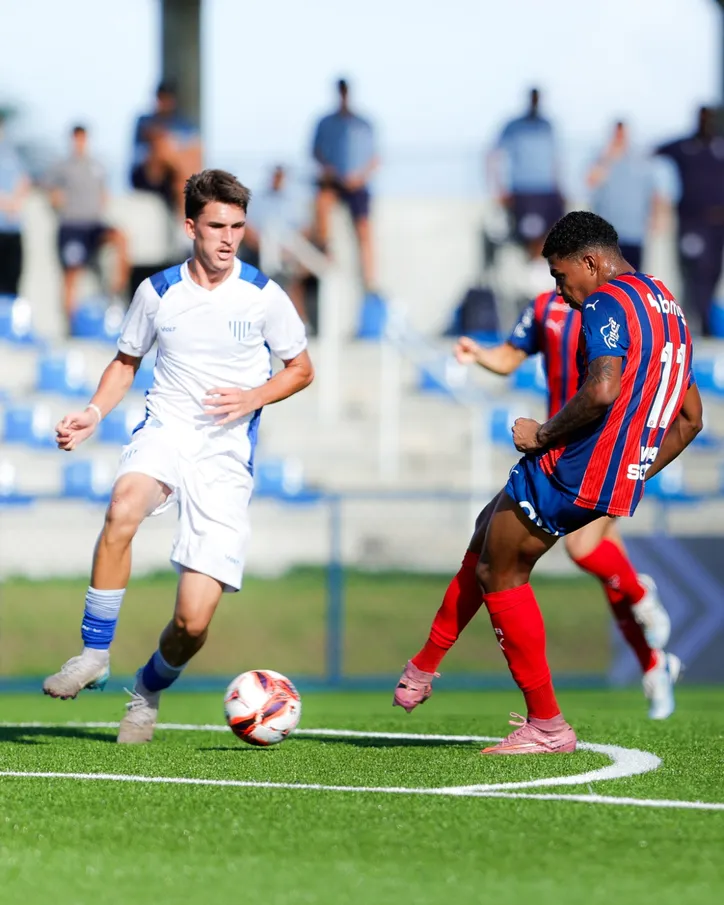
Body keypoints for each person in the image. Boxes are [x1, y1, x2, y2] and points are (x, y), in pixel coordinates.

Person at [394, 212, 702, 754]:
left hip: (573, 466)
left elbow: (602, 390)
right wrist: (634, 471)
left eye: (562, 276)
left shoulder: (607, 300)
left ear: (591, 261)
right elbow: (690, 419)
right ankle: (424, 667)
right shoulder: (667, 304)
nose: (561, 290)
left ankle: (547, 725)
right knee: (487, 529)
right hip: (601, 470)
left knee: (501, 571)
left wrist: (542, 435)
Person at [42, 169, 314, 744]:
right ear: (189, 224)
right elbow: (125, 361)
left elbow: (301, 368)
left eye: (238, 226)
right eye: (217, 225)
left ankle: (147, 689)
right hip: (166, 429)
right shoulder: (158, 292)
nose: (228, 238)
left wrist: (254, 395)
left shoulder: (264, 296)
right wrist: (93, 412)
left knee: (192, 623)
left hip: (225, 456)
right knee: (123, 505)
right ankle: (94, 652)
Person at [47, 125, 129, 324]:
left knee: (120, 238)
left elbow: (104, 194)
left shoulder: (97, 165)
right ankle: (70, 323)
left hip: (94, 225)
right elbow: (52, 193)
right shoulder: (63, 166)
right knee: (72, 272)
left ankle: (116, 293)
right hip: (72, 226)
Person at [656, 107, 724, 336]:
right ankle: (696, 323)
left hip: (717, 225)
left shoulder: (719, 147)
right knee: (695, 271)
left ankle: (704, 319)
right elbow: (656, 150)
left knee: (712, 271)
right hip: (693, 223)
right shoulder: (684, 148)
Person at [311, 78, 379, 295]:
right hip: (335, 182)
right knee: (321, 203)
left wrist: (359, 177)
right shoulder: (325, 122)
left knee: (364, 227)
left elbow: (375, 158)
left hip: (358, 184)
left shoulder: (364, 123)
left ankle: (370, 278)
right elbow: (316, 152)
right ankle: (325, 249)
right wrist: (331, 171)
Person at [488, 88, 564, 260]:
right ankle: (530, 272)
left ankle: (540, 271)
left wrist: (559, 188)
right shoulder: (513, 126)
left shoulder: (547, 125)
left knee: (554, 234)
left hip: (547, 190)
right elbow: (493, 156)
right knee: (528, 235)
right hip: (524, 191)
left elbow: (555, 160)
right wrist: (498, 189)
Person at [587, 121, 663, 272]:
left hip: (635, 231)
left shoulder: (640, 159)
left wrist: (656, 217)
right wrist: (608, 158)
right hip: (606, 234)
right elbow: (591, 180)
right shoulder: (602, 158)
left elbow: (653, 190)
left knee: (632, 278)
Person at [0, 112, 29, 297]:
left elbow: (24, 180)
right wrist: (6, 204)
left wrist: (15, 202)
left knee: (12, 280)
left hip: (12, 229)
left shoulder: (11, 153)